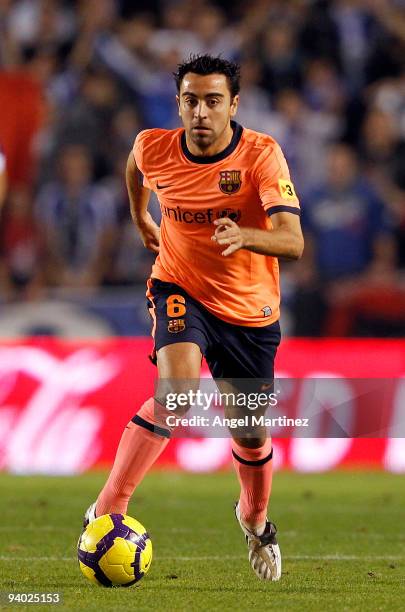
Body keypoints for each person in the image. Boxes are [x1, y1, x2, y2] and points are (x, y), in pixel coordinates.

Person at [83, 55, 304, 582]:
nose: (200, 111)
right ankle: (108, 509)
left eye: (212, 100)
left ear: (234, 104)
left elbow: (293, 242)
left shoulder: (261, 156)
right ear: (178, 103)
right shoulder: (154, 144)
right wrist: (140, 215)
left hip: (249, 308)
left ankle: (254, 521)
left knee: (250, 434)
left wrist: (246, 235)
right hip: (179, 285)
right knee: (176, 394)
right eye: (190, 100)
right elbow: (137, 166)